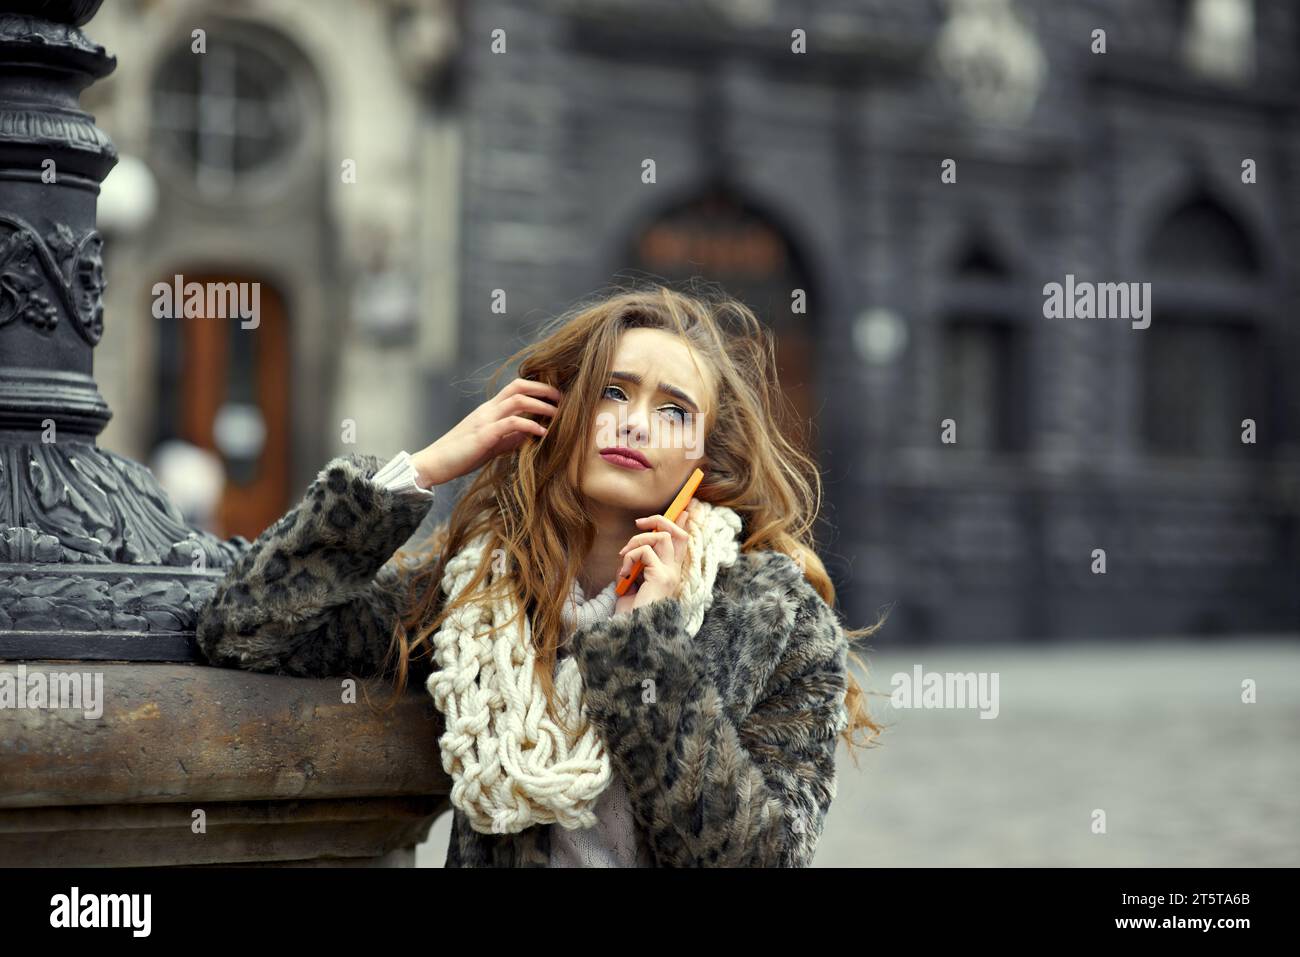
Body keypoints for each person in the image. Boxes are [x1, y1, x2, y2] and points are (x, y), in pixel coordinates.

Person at [196, 282, 885, 867]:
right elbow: (249, 628)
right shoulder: (475, 594)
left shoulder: (778, 616)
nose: (638, 424)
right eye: (613, 392)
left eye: (674, 410)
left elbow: (757, 856)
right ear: (559, 410)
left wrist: (646, 645)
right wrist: (426, 468)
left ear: (706, 453)